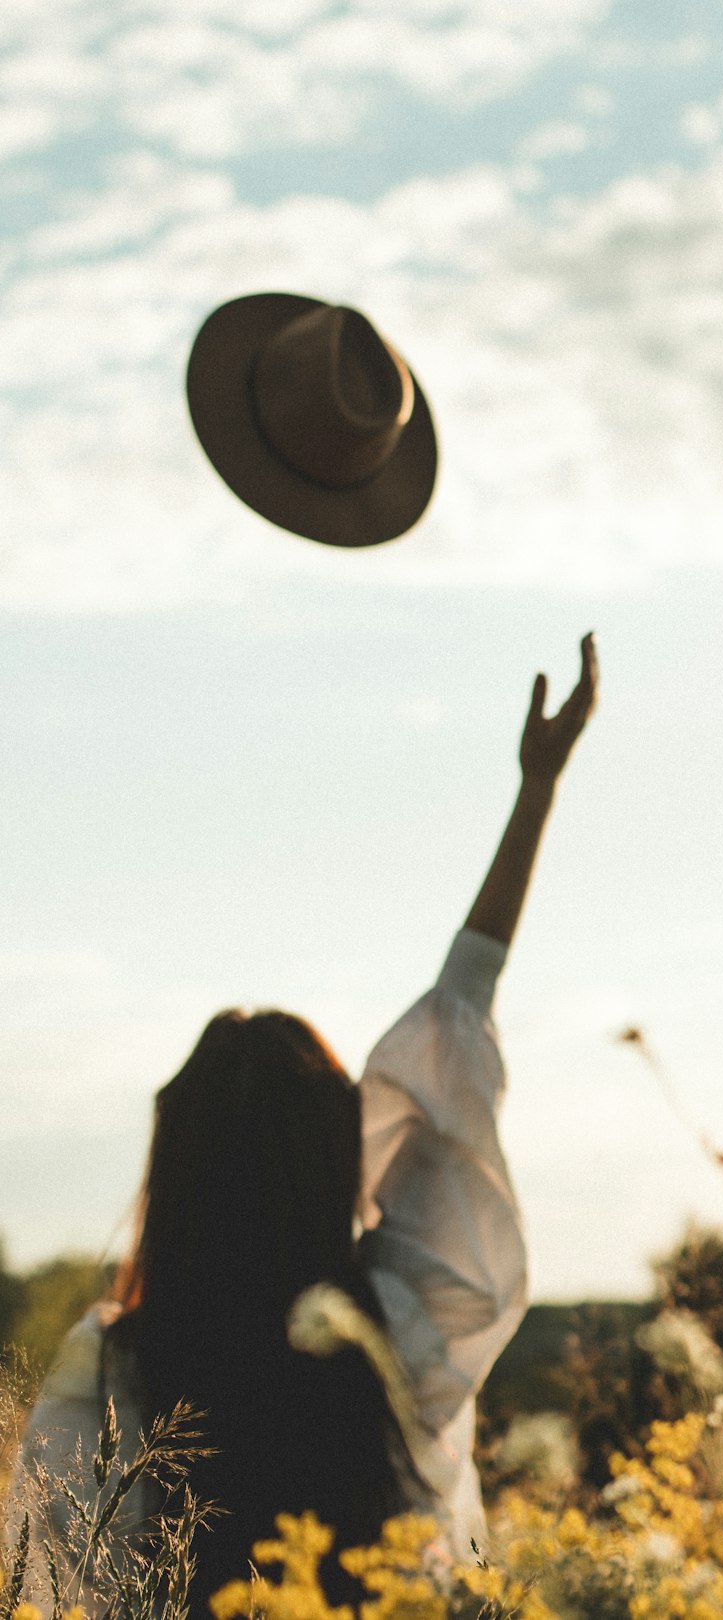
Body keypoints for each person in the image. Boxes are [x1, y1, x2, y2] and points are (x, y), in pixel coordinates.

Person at [9, 632, 598, 1614]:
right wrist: (536, 788)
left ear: (177, 1170)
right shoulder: (399, 1339)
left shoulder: (112, 1367)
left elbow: (52, 1591)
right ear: (333, 1165)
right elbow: (457, 1030)